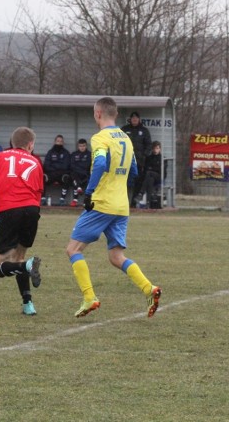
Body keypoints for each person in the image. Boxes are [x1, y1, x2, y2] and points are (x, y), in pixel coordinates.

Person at [66, 97, 161, 319]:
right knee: (116, 256)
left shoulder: (100, 138)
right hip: (121, 205)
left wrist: (89, 192)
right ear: (115, 114)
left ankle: (89, 297)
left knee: (73, 249)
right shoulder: (126, 139)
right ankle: (149, 289)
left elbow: (99, 164)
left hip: (102, 203)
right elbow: (135, 170)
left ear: (98, 114)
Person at [0, 127, 44, 315]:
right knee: (19, 256)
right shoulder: (36, 162)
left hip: (10, 211)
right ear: (30, 145)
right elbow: (38, 194)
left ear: (12, 143)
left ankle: (28, 266)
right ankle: (28, 305)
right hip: (32, 211)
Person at [121, 111, 152, 207]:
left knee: (137, 181)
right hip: (125, 161)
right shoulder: (124, 129)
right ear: (130, 119)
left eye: (136, 118)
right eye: (133, 118)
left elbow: (149, 145)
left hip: (138, 161)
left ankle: (133, 202)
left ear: (139, 119)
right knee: (123, 181)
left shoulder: (144, 131)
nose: (134, 119)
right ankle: (123, 202)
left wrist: (144, 155)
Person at [44, 134, 72, 206]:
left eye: (61, 141)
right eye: (58, 141)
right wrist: (57, 168)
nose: (59, 143)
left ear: (63, 143)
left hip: (61, 175)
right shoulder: (50, 152)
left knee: (67, 178)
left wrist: (55, 167)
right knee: (42, 178)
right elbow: (46, 165)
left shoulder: (66, 153)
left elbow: (66, 166)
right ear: (55, 142)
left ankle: (62, 199)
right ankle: (43, 199)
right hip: (51, 175)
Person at [139, 141, 164, 208]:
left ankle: (141, 192)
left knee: (149, 173)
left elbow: (161, 170)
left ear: (160, 149)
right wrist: (152, 169)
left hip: (159, 177)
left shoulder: (162, 158)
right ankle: (148, 202)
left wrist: (152, 169)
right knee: (150, 180)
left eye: (157, 148)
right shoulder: (149, 158)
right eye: (154, 148)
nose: (156, 150)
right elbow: (146, 168)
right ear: (152, 149)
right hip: (150, 177)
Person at [69, 138, 91, 207]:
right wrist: (80, 167)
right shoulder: (74, 154)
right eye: (80, 146)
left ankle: (81, 198)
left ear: (86, 146)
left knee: (88, 179)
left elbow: (87, 165)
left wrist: (78, 166)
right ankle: (76, 196)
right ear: (78, 146)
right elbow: (72, 165)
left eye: (83, 146)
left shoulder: (89, 154)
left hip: (85, 175)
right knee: (73, 175)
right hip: (76, 174)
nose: (82, 147)